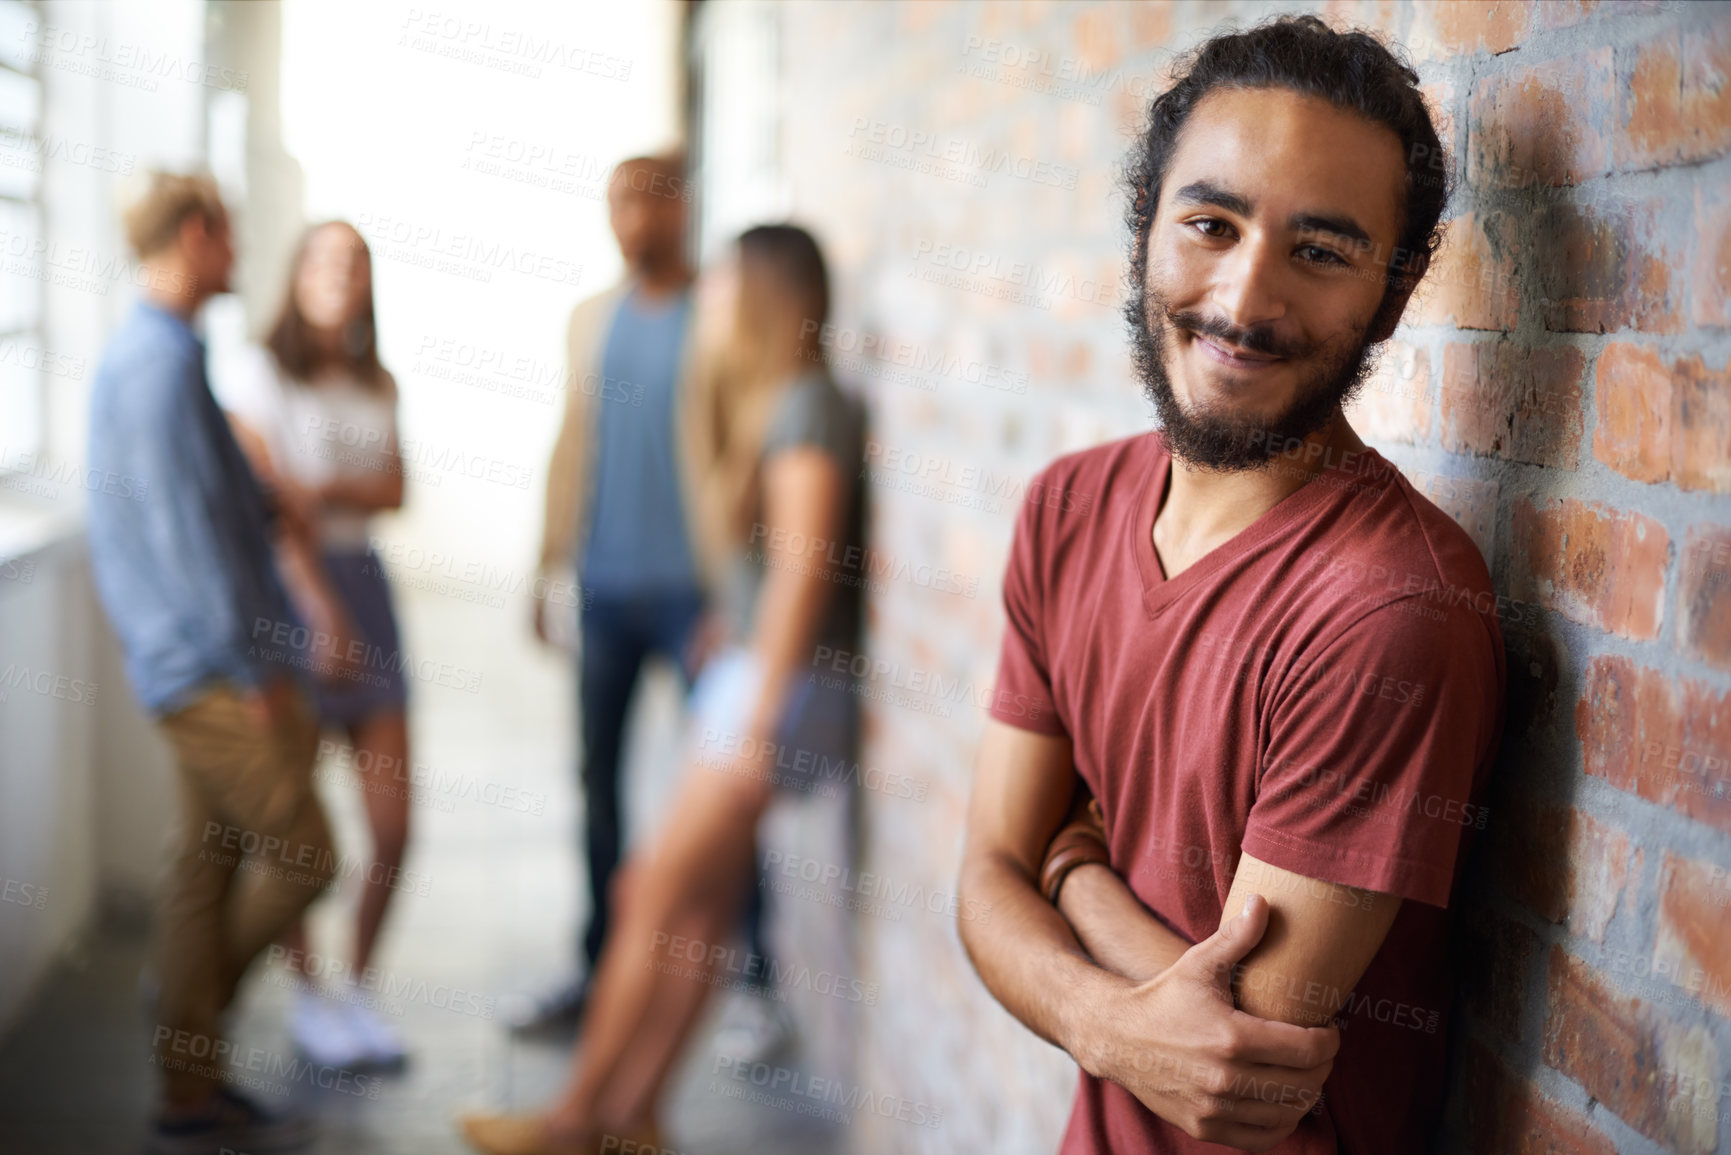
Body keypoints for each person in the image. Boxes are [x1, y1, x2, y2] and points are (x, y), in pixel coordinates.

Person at [958, 16, 1505, 1155]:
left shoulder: (1391, 608)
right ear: (1145, 232)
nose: (1245, 303)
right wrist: (1107, 1024)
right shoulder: (1067, 510)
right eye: (1211, 224)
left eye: (1321, 251)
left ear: (1394, 296)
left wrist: (1068, 864)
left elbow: (1237, 1065)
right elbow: (979, 883)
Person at [460, 223, 864, 1155]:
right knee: (699, 913)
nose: (708, 305)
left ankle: (572, 1123)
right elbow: (778, 573)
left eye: (724, 288)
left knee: (650, 893)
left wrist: (757, 705)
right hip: (764, 676)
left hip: (774, 694)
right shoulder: (785, 401)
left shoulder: (805, 406)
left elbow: (806, 572)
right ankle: (636, 1117)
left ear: (764, 295)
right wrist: (737, 618)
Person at [86, 171, 352, 1155]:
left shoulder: (168, 354)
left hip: (199, 660)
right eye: (229, 233)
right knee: (308, 853)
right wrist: (255, 671)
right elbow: (191, 542)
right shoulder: (154, 367)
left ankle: (187, 1089)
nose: (240, 251)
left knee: (204, 868)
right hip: (208, 671)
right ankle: (184, 1013)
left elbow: (218, 504)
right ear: (197, 235)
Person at [521, 153, 778, 1043]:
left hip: (692, 595)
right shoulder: (591, 318)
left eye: (646, 200)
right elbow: (568, 441)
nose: (629, 217)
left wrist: (741, 590)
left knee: (731, 778)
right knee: (596, 776)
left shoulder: (717, 312)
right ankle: (597, 965)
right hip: (603, 586)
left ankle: (754, 975)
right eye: (616, 200)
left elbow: (748, 444)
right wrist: (544, 563)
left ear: (679, 209)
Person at [215, 220, 412, 1069]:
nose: (342, 274)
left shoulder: (378, 380)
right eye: (326, 259)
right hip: (300, 595)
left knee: (394, 821)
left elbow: (395, 486)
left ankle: (356, 989)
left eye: (356, 262)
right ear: (296, 273)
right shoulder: (258, 373)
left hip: (368, 581)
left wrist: (322, 486)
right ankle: (307, 999)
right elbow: (274, 505)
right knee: (298, 817)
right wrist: (319, 605)